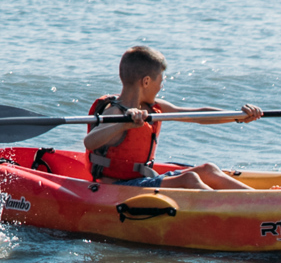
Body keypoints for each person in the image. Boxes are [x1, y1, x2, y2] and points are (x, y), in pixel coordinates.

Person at [83, 45, 263, 190]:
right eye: (160, 81)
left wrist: (238, 116)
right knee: (189, 178)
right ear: (146, 82)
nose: (161, 86)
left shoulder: (155, 107)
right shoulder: (115, 113)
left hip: (142, 181)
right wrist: (123, 125)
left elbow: (196, 115)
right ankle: (241, 208)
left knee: (208, 170)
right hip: (117, 188)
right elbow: (90, 142)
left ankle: (259, 200)